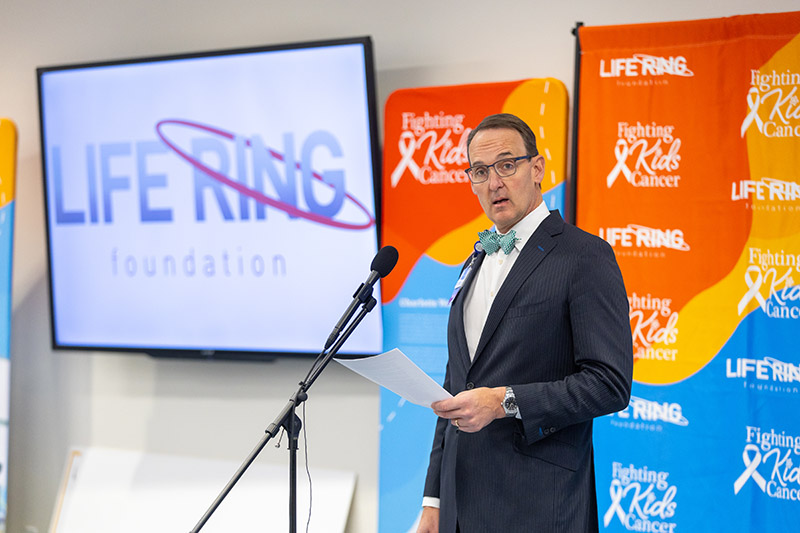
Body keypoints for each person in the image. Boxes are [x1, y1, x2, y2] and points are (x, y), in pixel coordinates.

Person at [417, 113, 633, 533]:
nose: (494, 182)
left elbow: (609, 384)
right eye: (480, 171)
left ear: (537, 169)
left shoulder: (584, 256)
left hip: (537, 507)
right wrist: (434, 500)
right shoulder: (475, 260)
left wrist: (504, 401)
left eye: (506, 165)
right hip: (460, 508)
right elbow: (457, 386)